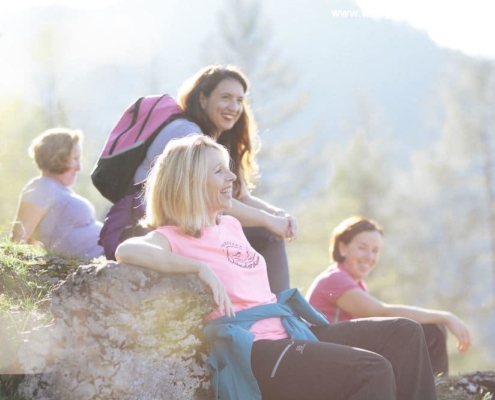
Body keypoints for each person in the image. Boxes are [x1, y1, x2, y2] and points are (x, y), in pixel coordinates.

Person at [116, 134, 438, 400]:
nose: (231, 177)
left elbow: (245, 212)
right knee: (372, 369)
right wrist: (198, 268)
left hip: (290, 331)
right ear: (190, 183)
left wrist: (273, 220)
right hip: (256, 351)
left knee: (405, 332)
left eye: (228, 169)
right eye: (218, 172)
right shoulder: (171, 236)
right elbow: (126, 249)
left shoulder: (229, 224)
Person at [131, 64, 296, 295]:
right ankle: (280, 306)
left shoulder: (220, 140)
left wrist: (279, 215)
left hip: (195, 223)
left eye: (240, 100)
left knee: (264, 232)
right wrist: (268, 222)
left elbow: (241, 196)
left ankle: (271, 305)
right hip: (154, 223)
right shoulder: (188, 136)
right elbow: (209, 199)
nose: (234, 107)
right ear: (202, 99)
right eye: (225, 97)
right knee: (267, 235)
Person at [306, 216, 472, 376]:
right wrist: (446, 316)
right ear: (342, 248)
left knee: (430, 328)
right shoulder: (335, 278)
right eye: (362, 248)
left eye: (375, 250)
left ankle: (434, 387)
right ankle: (436, 390)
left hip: (342, 350)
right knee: (431, 330)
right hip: (327, 355)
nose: (369, 257)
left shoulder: (356, 283)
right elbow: (381, 312)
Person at [10, 128, 104, 259]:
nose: (79, 167)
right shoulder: (41, 187)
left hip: (109, 252)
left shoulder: (57, 189)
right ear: (57, 157)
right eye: (75, 158)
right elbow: (18, 240)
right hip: (101, 258)